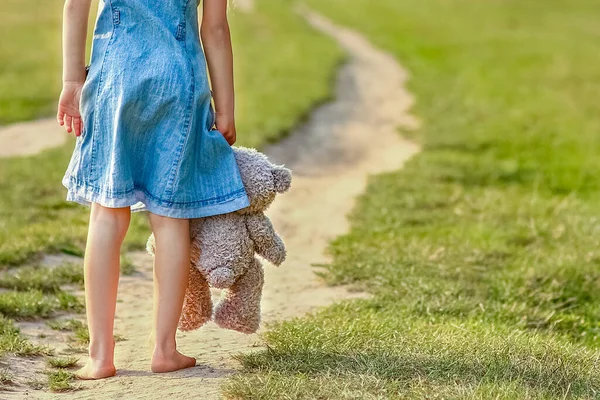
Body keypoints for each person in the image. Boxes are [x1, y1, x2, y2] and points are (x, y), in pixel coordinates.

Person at [57, 0, 248, 379]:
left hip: (114, 78)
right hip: (179, 83)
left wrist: (71, 81)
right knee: (171, 218)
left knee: (107, 215)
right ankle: (164, 349)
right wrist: (225, 108)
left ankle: (100, 356)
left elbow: (75, 5)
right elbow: (215, 28)